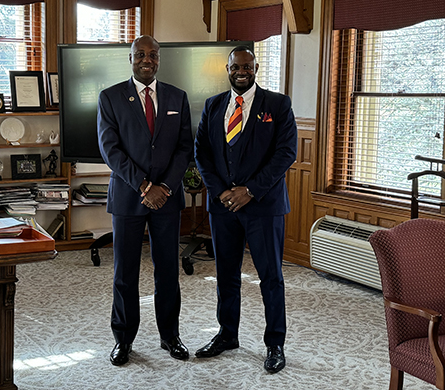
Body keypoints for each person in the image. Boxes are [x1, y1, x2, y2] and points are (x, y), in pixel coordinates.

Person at [194, 45, 297, 374]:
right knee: (226, 275)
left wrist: (250, 191)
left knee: (270, 277)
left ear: (256, 68)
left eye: (248, 66)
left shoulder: (277, 105)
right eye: (236, 66)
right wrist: (222, 191)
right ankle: (227, 335)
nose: (242, 71)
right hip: (222, 206)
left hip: (263, 206)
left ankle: (275, 344)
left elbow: (286, 153)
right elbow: (202, 154)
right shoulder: (213, 106)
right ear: (227, 69)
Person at [97, 35, 193, 366]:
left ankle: (170, 336)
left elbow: (184, 148)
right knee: (125, 272)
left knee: (167, 271)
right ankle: (123, 339)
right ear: (131, 58)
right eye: (140, 54)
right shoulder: (109, 97)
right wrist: (143, 185)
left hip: (167, 197)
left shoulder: (177, 97)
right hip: (128, 197)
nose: (146, 59)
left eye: (153, 55)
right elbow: (110, 149)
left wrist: (164, 186)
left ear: (159, 59)